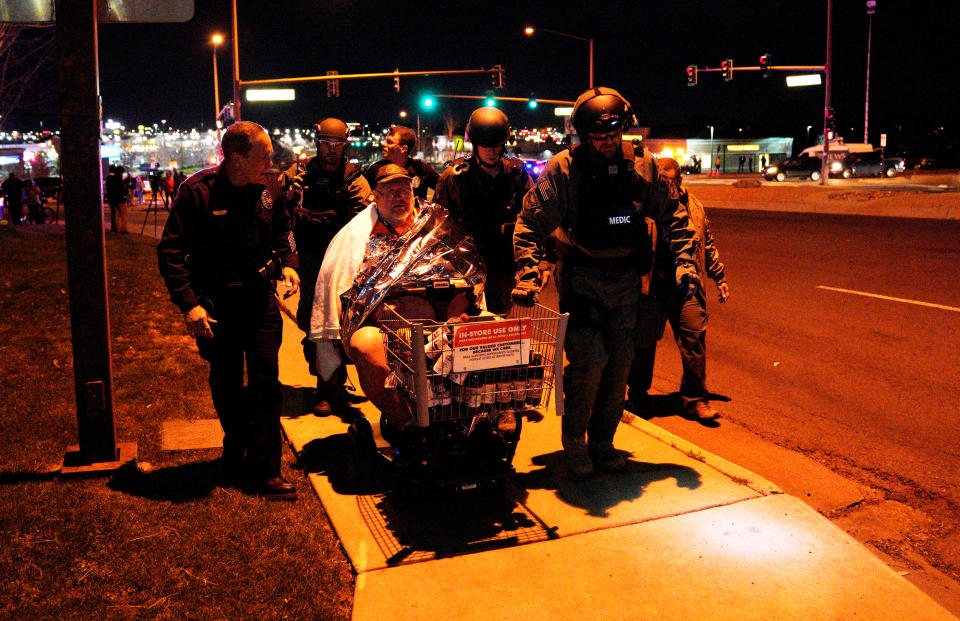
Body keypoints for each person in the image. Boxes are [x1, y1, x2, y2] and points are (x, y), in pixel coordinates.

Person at [512, 87, 699, 477]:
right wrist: (529, 275)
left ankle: (604, 442)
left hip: (627, 283)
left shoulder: (642, 167)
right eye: (598, 137)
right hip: (582, 281)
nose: (607, 144)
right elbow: (530, 223)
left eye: (613, 136)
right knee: (589, 361)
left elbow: (675, 217)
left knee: (619, 366)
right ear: (583, 135)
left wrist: (685, 263)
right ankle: (575, 443)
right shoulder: (564, 169)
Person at [157, 121, 301, 500]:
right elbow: (170, 252)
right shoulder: (197, 192)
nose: (271, 161)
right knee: (225, 383)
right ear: (236, 158)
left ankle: (268, 468)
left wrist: (289, 262)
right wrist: (189, 305)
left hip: (260, 302)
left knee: (266, 382)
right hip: (217, 306)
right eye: (264, 155)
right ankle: (236, 443)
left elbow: (284, 229)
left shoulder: (269, 187)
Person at [309, 164, 484, 431]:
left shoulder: (436, 228)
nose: (399, 198)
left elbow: (469, 275)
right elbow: (345, 291)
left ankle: (481, 417)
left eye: (404, 191)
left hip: (445, 324)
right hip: (389, 332)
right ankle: (406, 424)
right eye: (390, 192)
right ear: (375, 197)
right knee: (365, 344)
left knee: (494, 334)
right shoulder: (358, 237)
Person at [627, 157, 729, 422]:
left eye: (671, 181)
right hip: (652, 286)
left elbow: (706, 244)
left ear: (680, 180)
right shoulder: (643, 203)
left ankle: (695, 399)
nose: (666, 186)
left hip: (686, 286)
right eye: (662, 181)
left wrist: (720, 277)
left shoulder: (694, 207)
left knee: (694, 337)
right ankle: (638, 396)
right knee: (643, 344)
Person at [286, 117, 371, 416]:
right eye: (326, 144)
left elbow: (367, 219)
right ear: (317, 143)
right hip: (310, 259)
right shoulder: (299, 173)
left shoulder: (354, 177)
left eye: (337, 145)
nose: (331, 150)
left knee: (344, 323)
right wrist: (290, 195)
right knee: (313, 323)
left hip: (344, 261)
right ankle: (324, 386)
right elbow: (279, 210)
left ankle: (337, 382)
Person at [434, 107, 533, 314]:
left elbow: (534, 220)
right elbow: (438, 226)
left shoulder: (517, 175)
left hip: (504, 268)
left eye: (497, 145)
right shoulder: (454, 177)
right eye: (486, 145)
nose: (492, 151)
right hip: (464, 270)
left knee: (500, 329)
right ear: (475, 144)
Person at [363, 125, 438, 201]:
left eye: (389, 142)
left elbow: (443, 190)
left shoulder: (420, 169)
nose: (383, 144)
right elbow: (365, 201)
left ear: (403, 149)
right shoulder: (376, 170)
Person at [105, 165, 128, 233]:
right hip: (120, 199)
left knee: (116, 215)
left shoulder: (110, 178)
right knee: (123, 215)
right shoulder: (118, 179)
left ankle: (116, 228)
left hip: (114, 200)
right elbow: (121, 189)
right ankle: (123, 228)